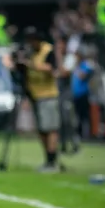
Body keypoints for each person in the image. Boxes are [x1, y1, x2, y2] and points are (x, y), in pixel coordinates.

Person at [21, 28, 63, 173]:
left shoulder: (48, 50)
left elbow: (52, 69)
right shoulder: (30, 52)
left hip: (48, 95)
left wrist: (30, 64)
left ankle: (53, 162)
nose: (30, 43)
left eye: (32, 40)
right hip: (35, 95)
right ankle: (48, 160)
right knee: (41, 130)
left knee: (50, 128)